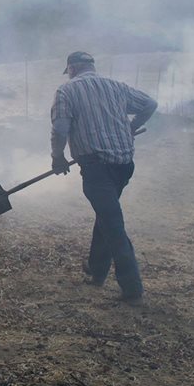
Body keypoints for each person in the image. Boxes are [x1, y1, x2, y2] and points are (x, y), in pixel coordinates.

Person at [50, 51, 157, 305]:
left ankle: (132, 288)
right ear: (91, 67)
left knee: (112, 223)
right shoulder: (115, 86)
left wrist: (57, 157)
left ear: (72, 69)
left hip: (96, 167)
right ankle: (97, 270)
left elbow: (61, 128)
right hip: (124, 166)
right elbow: (150, 104)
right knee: (107, 215)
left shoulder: (67, 91)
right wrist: (130, 127)